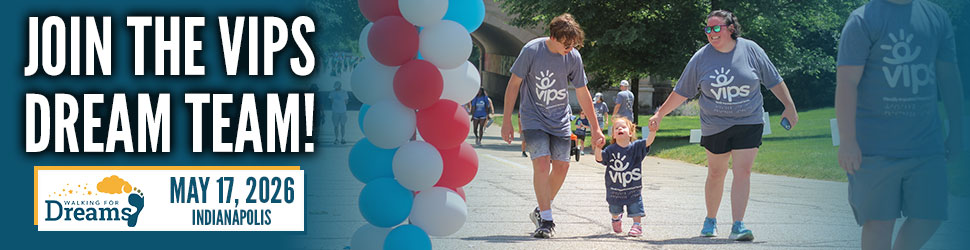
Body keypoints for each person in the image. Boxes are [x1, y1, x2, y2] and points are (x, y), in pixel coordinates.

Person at [648, 10, 798, 241]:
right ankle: (711, 219)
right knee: (716, 172)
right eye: (708, 29)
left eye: (716, 28)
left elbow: (773, 80)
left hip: (749, 120)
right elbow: (682, 91)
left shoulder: (751, 50)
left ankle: (738, 225)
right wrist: (660, 114)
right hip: (715, 123)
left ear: (730, 28)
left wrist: (789, 105)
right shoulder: (701, 58)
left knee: (743, 171)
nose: (711, 33)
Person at [835, 1, 964, 249]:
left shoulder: (936, 17)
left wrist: (957, 131)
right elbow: (847, 82)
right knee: (879, 223)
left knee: (931, 215)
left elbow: (949, 77)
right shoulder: (862, 20)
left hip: (927, 145)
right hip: (874, 148)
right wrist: (848, 141)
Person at [500, 13, 605, 238]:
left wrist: (595, 128)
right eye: (566, 44)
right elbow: (513, 84)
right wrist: (507, 119)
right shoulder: (531, 51)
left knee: (562, 167)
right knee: (541, 164)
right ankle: (547, 220)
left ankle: (540, 209)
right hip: (534, 117)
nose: (570, 48)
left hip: (560, 119)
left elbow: (583, 92)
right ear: (553, 37)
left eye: (573, 44)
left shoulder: (573, 57)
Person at [594, 116, 656, 237]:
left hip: (633, 188)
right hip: (615, 190)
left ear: (630, 132)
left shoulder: (636, 147)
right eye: (616, 128)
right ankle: (616, 218)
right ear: (613, 135)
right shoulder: (610, 150)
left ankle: (637, 225)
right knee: (614, 209)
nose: (620, 129)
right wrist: (598, 148)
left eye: (623, 127)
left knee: (636, 206)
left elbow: (648, 141)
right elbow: (599, 158)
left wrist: (652, 131)